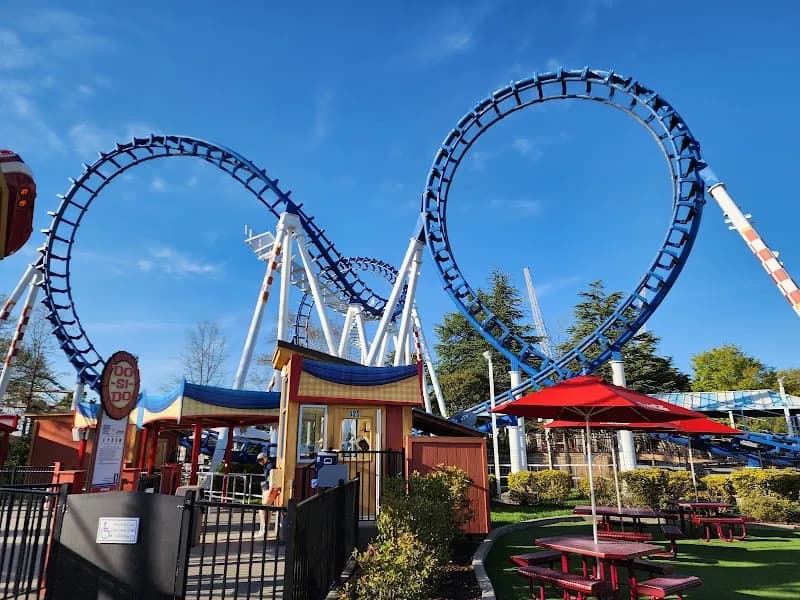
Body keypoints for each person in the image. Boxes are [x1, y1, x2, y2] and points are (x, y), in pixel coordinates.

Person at [255, 452, 276, 538]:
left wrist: (269, 488)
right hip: (269, 488)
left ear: (263, 458)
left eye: (260, 460)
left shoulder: (269, 465)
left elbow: (271, 478)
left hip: (269, 488)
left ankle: (264, 530)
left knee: (262, 509)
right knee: (267, 509)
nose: (260, 462)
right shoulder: (269, 464)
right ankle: (264, 530)